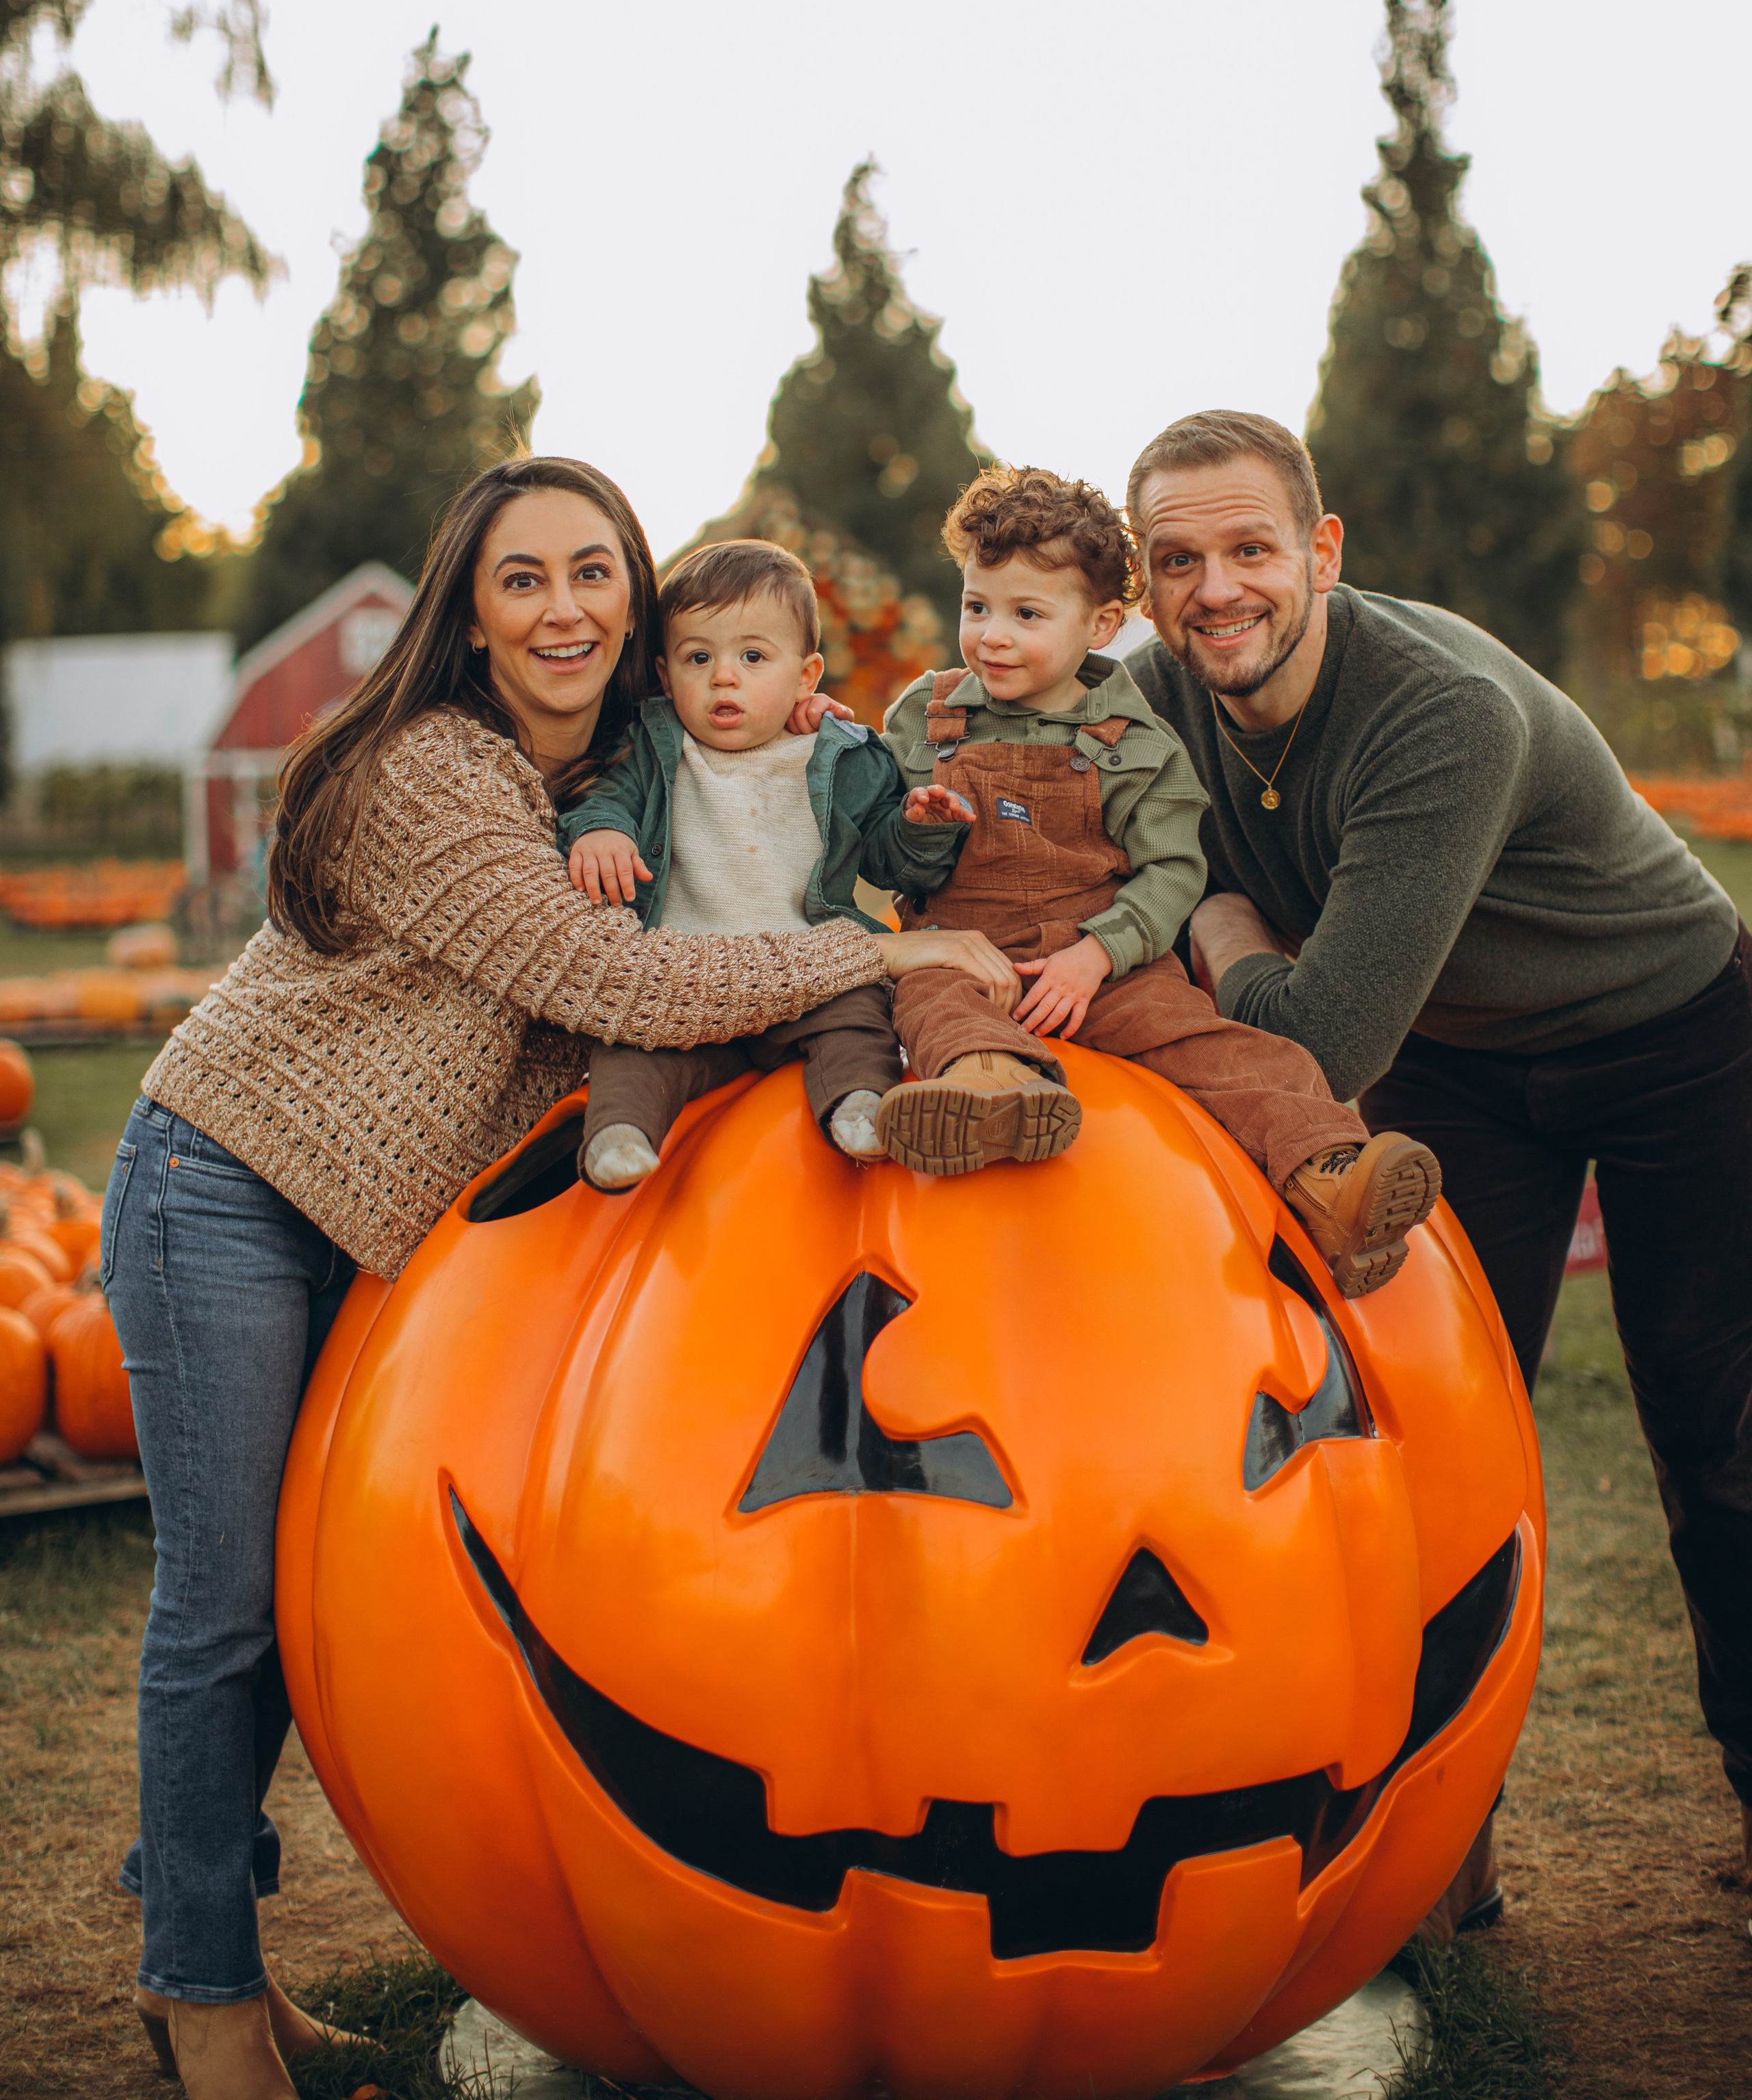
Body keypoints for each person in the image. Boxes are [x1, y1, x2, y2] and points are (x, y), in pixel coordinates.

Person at [101, 456, 1016, 2100]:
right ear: (467, 609)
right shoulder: (439, 772)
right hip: (222, 1184)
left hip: (364, 1228)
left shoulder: (629, 773)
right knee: (225, 1611)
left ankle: (208, 1963)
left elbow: (699, 947)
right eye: (522, 578)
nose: (565, 606)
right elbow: (602, 973)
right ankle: (203, 1989)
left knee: (294, 1614)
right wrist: (874, 952)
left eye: (595, 572)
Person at [1124, 405, 1752, 1930]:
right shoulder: (1147, 701)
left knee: (1709, 1418)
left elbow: (1321, 1032)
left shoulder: (1437, 713)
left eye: (1250, 549)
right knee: (1418, 1437)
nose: (1216, 590)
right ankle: (1425, 1841)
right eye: (1176, 560)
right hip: (1460, 1064)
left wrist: (1205, 914)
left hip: (1669, 1030)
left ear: (1320, 554)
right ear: (1141, 584)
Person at [871, 466, 1444, 1295]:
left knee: (1220, 1050)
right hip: (968, 950)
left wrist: (1098, 957)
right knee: (928, 997)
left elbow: (1175, 869)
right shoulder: (925, 717)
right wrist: (914, 830)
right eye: (976, 607)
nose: (992, 635)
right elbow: (882, 862)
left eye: (1026, 614)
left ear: (1101, 623)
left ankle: (1331, 1173)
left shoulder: (1137, 740)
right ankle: (989, 1089)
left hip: (1104, 964)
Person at [558, 537, 975, 1187]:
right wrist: (603, 830)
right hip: (686, 983)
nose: (725, 676)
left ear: (806, 677)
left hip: (812, 971)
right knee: (629, 1048)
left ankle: (860, 1108)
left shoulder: (842, 756)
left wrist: (919, 828)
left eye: (754, 656)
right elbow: (605, 796)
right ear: (667, 676)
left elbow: (889, 865)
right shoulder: (654, 744)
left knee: (858, 1017)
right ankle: (620, 1137)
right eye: (699, 657)